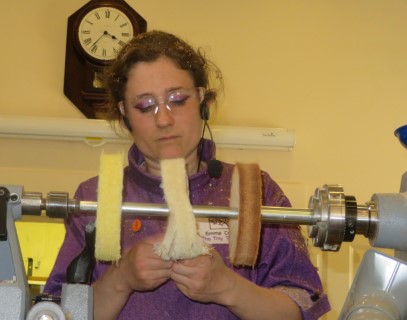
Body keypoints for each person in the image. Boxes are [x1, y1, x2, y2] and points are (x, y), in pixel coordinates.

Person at [45, 30, 330, 319]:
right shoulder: (94, 198)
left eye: (178, 100)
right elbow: (59, 314)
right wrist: (121, 280)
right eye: (145, 106)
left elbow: (299, 309)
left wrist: (227, 287)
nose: (164, 119)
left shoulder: (254, 191)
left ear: (202, 101)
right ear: (124, 114)